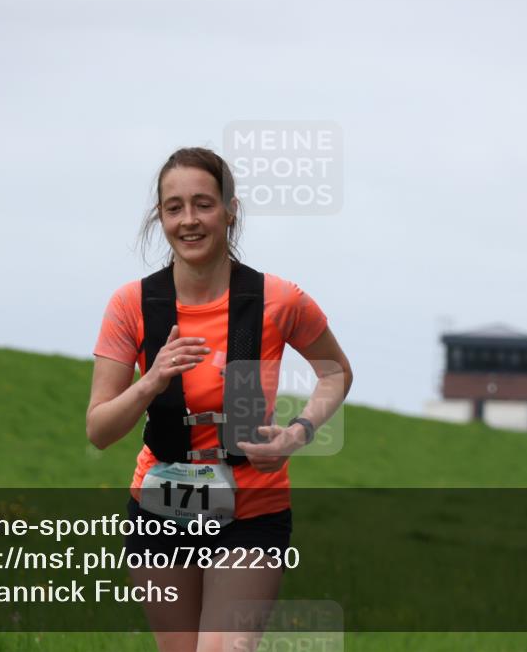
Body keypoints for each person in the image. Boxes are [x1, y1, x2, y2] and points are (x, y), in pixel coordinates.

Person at [86, 147, 353, 652]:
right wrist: (151, 380)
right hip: (160, 506)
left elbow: (336, 372)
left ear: (230, 210)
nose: (189, 220)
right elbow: (99, 430)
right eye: (174, 207)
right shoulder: (132, 305)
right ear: (160, 217)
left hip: (253, 508)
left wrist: (298, 434)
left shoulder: (278, 299)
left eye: (203, 204)